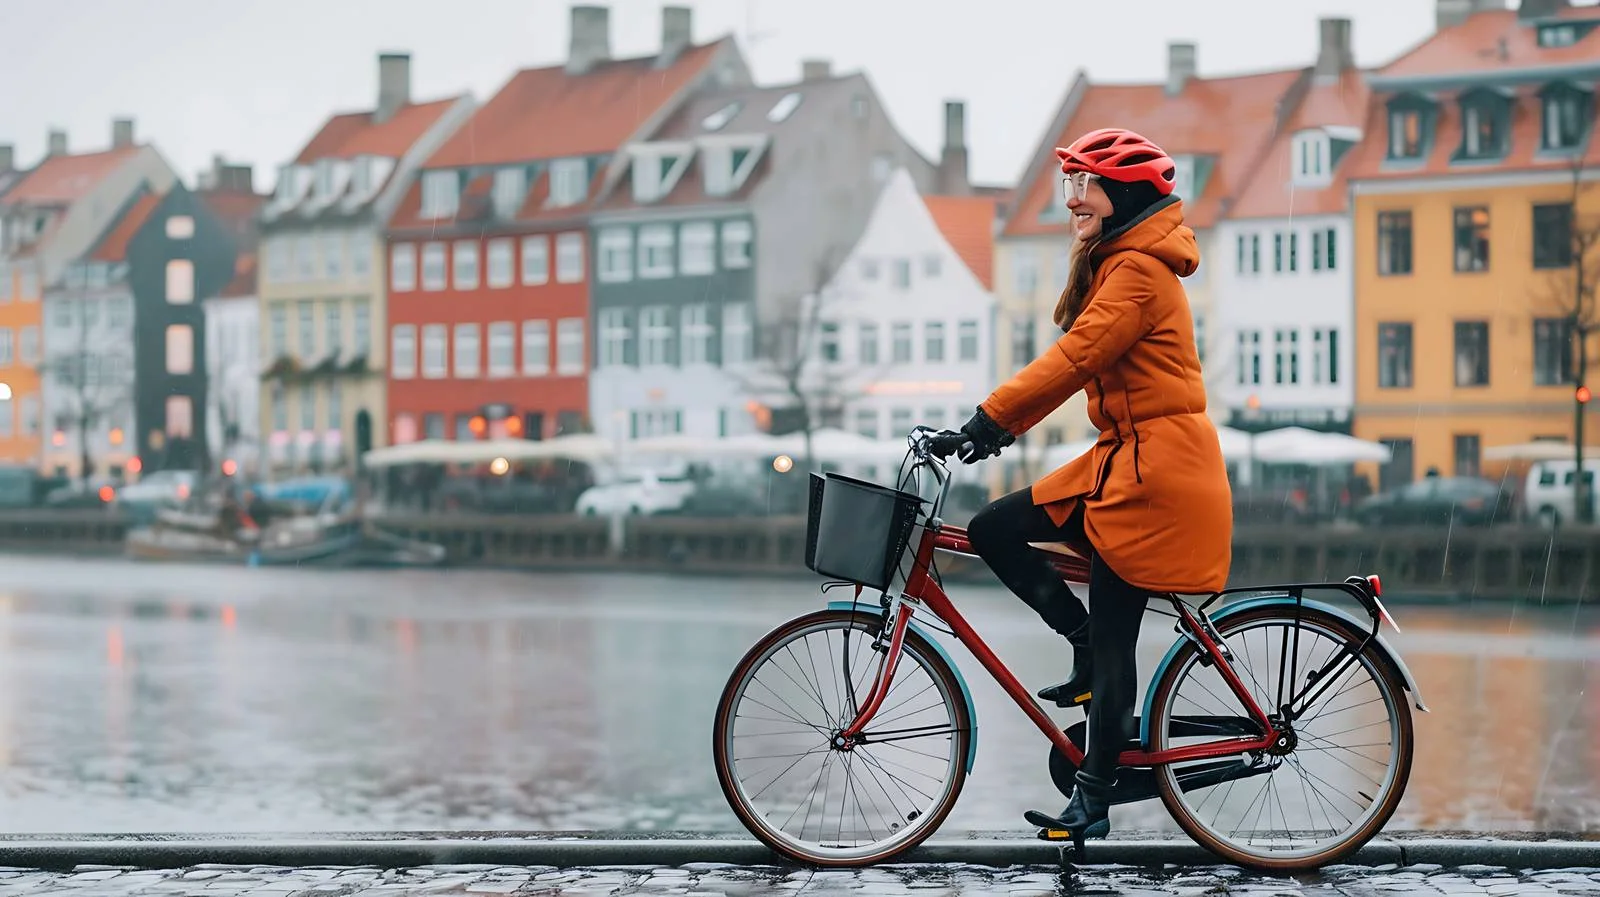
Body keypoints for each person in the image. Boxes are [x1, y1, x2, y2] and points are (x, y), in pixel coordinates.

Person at [929, 127, 1233, 844]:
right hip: (1123, 460)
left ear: (1122, 195)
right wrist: (990, 428)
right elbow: (1076, 360)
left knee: (1119, 642)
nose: (1072, 200)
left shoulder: (1138, 272)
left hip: (1157, 477)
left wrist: (985, 424)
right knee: (993, 528)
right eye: (1070, 185)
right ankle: (1082, 638)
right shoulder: (1118, 262)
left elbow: (1075, 357)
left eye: (1084, 185)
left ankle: (1093, 797)